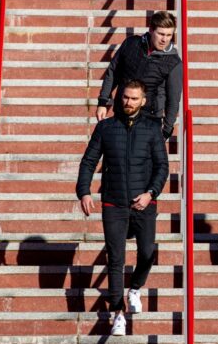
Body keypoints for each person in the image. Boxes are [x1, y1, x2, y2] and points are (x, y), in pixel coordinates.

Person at [76, 80, 169, 335]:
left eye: (134, 99)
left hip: (143, 204)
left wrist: (151, 194)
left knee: (148, 252)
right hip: (113, 202)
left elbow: (163, 167)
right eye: (126, 98)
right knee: (116, 259)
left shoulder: (152, 129)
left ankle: (135, 288)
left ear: (143, 101)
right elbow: (88, 162)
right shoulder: (106, 127)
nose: (128, 102)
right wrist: (84, 191)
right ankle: (118, 313)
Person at [96, 10, 183, 140]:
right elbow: (113, 72)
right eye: (161, 34)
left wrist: (167, 129)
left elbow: (173, 99)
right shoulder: (131, 44)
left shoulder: (174, 62)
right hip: (122, 112)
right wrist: (103, 102)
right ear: (151, 30)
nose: (165, 39)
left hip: (150, 120)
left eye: (169, 35)